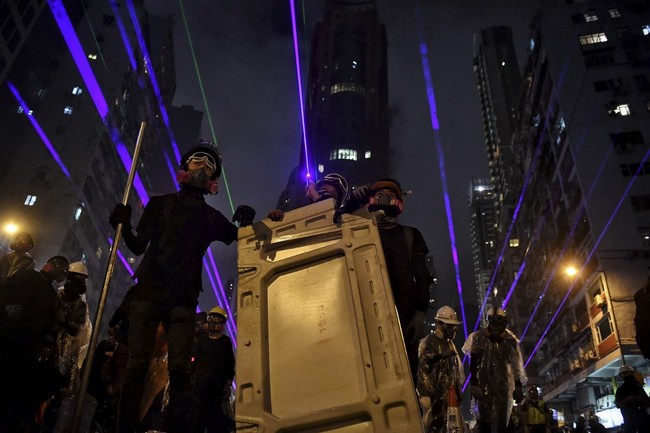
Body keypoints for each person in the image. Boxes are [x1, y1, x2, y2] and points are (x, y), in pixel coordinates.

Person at [108, 140, 255, 433]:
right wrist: (122, 226)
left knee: (180, 370)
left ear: (213, 179)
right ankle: (125, 429)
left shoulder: (210, 217)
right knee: (137, 365)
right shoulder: (160, 204)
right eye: (197, 159)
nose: (203, 165)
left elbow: (240, 235)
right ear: (185, 167)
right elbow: (138, 246)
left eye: (210, 164)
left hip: (183, 300)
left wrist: (244, 218)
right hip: (149, 292)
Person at [360, 178, 433, 383]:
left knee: (405, 377)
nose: (383, 198)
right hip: (367, 317)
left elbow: (422, 276)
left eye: (389, 194)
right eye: (379, 194)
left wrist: (420, 312)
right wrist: (350, 205)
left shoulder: (410, 235)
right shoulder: (360, 234)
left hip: (404, 317)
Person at [0, 255, 69, 431]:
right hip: (10, 341)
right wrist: (7, 308)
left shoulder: (51, 295)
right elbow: (4, 291)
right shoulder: (27, 277)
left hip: (23, 350)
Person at [462, 307, 527, 433]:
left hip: (503, 387)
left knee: (504, 423)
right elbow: (474, 362)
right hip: (483, 385)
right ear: (489, 323)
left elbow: (516, 366)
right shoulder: (478, 337)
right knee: (484, 423)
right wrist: (474, 384)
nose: (496, 328)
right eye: (494, 324)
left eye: (499, 324)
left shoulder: (509, 340)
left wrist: (518, 386)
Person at [417, 306, 465, 433]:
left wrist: (458, 392)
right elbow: (424, 367)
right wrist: (429, 397)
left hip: (448, 398)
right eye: (450, 325)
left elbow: (456, 371)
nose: (454, 328)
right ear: (441, 325)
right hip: (434, 400)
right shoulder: (431, 342)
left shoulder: (449, 344)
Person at [191, 306, 235, 433]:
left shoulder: (225, 342)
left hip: (217, 392)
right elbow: (194, 361)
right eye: (211, 319)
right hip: (200, 389)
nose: (212, 322)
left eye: (215, 319)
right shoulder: (202, 341)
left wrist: (227, 385)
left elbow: (230, 365)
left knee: (214, 425)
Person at [267, 172, 349, 221]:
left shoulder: (342, 216)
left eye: (332, 194)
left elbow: (328, 215)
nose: (326, 194)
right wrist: (276, 216)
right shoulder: (304, 210)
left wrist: (313, 193)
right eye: (323, 190)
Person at [614, 365, 650, 433]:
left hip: (636, 421)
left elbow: (647, 402)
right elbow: (618, 404)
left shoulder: (637, 387)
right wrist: (629, 399)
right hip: (636, 421)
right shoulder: (623, 389)